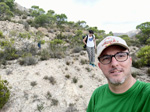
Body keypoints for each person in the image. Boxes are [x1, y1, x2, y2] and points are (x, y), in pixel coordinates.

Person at [87, 36, 150, 112]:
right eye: (106, 58)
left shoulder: (146, 95)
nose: (114, 63)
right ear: (100, 66)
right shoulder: (97, 94)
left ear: (130, 60)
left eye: (120, 56)